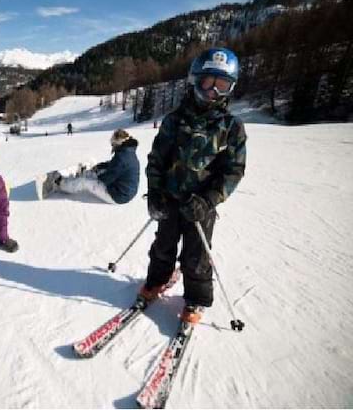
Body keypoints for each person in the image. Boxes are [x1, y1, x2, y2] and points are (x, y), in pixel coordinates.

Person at [138, 47, 247, 325]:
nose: (212, 92)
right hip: (170, 198)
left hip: (200, 206)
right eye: (207, 82)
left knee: (197, 254)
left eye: (221, 85)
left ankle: (196, 298)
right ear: (195, 81)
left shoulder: (231, 127)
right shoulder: (175, 120)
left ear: (230, 88)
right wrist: (155, 191)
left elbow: (233, 170)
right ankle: (157, 280)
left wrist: (209, 199)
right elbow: (157, 159)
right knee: (163, 246)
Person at [53, 129, 140, 204]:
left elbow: (106, 179)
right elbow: (114, 165)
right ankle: (83, 174)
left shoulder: (122, 157)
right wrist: (99, 166)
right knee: (98, 172)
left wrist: (95, 176)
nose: (112, 146)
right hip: (126, 192)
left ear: (118, 143)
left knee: (85, 182)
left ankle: (60, 184)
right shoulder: (128, 152)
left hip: (118, 196)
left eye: (113, 144)